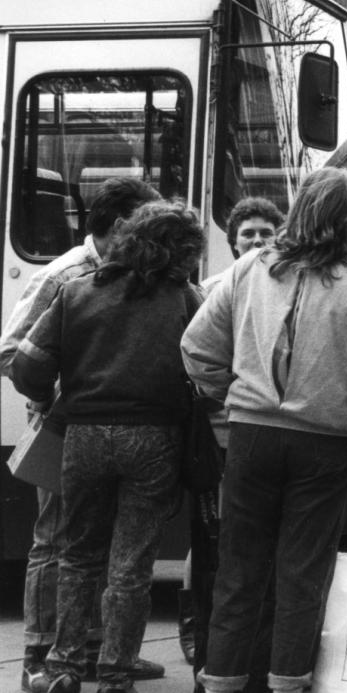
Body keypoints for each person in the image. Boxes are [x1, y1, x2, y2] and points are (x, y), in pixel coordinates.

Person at [182, 167, 347, 693]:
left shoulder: (250, 271)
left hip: (251, 437)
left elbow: (195, 349)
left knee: (238, 569)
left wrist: (234, 393)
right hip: (325, 444)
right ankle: (287, 683)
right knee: (302, 573)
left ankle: (223, 681)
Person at [10, 200, 205, 693]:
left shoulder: (76, 292)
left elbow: (28, 366)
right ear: (178, 251)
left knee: (78, 554)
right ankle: (116, 670)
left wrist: (52, 397)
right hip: (154, 439)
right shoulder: (185, 299)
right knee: (131, 563)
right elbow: (211, 366)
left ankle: (64, 665)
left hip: (84, 437)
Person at [184, 197, 286, 692]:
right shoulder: (211, 291)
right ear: (232, 240)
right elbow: (196, 353)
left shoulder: (285, 288)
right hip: (221, 439)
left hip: (254, 436)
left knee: (247, 555)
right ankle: (212, 658)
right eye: (249, 234)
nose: (258, 241)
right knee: (217, 554)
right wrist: (231, 394)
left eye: (267, 232)